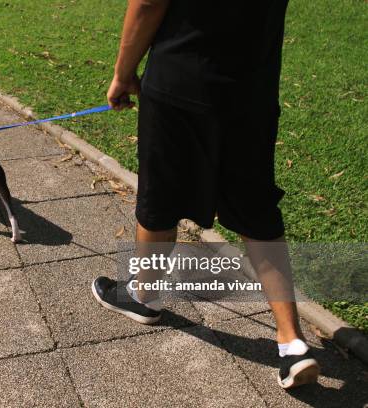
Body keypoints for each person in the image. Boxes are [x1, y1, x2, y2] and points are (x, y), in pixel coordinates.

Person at [91, 0, 321, 389]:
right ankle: (292, 342)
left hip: (180, 82)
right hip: (252, 93)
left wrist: (122, 73)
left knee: (159, 197)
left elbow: (148, 3)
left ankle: (143, 296)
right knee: (256, 210)